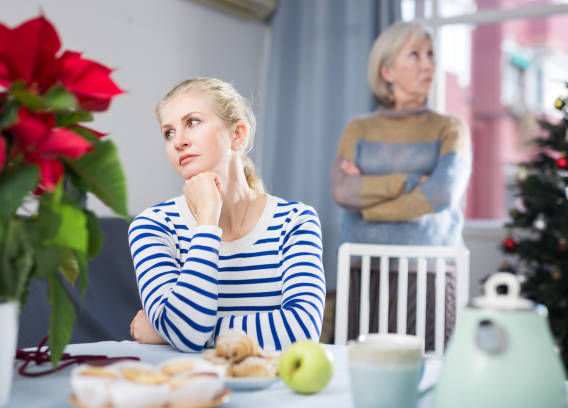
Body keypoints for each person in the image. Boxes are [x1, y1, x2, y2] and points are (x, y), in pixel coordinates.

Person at [128, 78, 325, 352]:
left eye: (192, 122)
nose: (179, 141)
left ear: (238, 135)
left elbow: (301, 331)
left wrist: (172, 331)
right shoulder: (152, 226)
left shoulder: (295, 221)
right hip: (190, 389)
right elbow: (185, 332)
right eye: (168, 132)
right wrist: (207, 220)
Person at [331, 22, 471, 246]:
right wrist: (411, 181)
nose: (428, 65)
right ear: (387, 72)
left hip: (432, 266)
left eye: (430, 54)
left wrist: (369, 208)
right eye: (415, 55)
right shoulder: (358, 129)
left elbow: (442, 194)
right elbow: (343, 191)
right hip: (362, 265)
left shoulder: (451, 128)